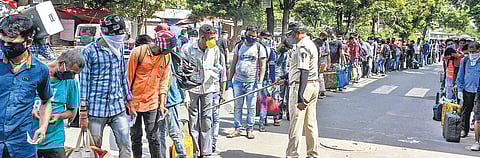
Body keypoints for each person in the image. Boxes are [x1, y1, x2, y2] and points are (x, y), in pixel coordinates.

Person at [79, 15, 132, 157]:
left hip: (117, 108)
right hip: (96, 110)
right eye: (118, 36)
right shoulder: (88, 52)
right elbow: (83, 83)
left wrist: (129, 101)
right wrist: (83, 113)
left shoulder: (119, 48)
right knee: (95, 149)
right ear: (108, 35)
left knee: (126, 145)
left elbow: (122, 76)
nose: (120, 39)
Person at [0, 14, 53, 158]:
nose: (5, 46)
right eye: (2, 42)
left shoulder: (40, 70)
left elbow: (46, 101)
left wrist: (43, 127)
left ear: (28, 42)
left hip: (22, 145)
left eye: (11, 43)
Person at [127, 23, 171, 158]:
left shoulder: (166, 56)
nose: (164, 53)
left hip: (152, 103)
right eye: (163, 50)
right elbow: (127, 79)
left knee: (153, 137)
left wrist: (162, 104)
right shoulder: (138, 52)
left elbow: (164, 81)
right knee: (136, 137)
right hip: (134, 101)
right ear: (157, 45)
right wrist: (129, 103)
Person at [33, 48, 85, 158]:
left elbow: (72, 111)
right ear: (61, 64)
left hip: (55, 140)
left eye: (76, 74)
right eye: (71, 73)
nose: (73, 77)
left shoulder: (71, 83)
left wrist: (59, 116)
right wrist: (32, 111)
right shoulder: (37, 73)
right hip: (30, 136)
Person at [182, 24, 224, 157]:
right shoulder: (188, 48)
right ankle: (195, 150)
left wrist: (217, 73)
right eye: (209, 38)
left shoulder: (215, 49)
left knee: (207, 119)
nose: (212, 41)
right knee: (193, 120)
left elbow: (217, 65)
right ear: (202, 37)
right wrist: (185, 93)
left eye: (213, 38)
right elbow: (182, 72)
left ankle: (205, 151)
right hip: (192, 88)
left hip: (209, 87)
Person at [280, 22, 320, 158]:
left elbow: (304, 70)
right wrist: (286, 77)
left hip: (302, 87)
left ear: (298, 33)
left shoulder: (303, 47)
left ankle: (292, 155)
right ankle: (312, 154)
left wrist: (300, 96)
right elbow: (300, 69)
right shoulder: (311, 44)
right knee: (310, 123)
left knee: (296, 123)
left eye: (292, 33)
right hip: (313, 85)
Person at [226, 25, 267, 139]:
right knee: (237, 106)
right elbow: (233, 63)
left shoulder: (260, 48)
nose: (251, 37)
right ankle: (237, 128)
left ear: (257, 36)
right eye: (249, 35)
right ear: (245, 34)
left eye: (253, 36)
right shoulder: (239, 46)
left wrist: (260, 82)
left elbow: (263, 66)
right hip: (238, 81)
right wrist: (230, 80)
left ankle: (250, 129)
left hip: (252, 83)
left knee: (251, 107)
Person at [456, 41, 480, 142]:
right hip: (467, 89)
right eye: (470, 52)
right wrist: (459, 89)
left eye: (474, 52)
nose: (472, 54)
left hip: (478, 90)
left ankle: (477, 134)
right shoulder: (465, 60)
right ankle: (463, 130)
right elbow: (460, 75)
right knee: (466, 110)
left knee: (478, 113)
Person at [258, 30, 278, 131]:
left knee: (263, 101)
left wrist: (273, 81)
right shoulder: (253, 47)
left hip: (264, 79)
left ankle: (262, 121)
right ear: (260, 37)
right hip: (248, 79)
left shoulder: (270, 51)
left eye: (268, 38)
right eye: (264, 38)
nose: (266, 40)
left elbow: (272, 67)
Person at [314, 32, 330, 98]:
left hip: (322, 61)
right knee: (319, 76)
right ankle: (320, 91)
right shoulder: (317, 42)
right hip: (318, 61)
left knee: (320, 75)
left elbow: (327, 52)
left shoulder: (325, 43)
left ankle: (321, 91)